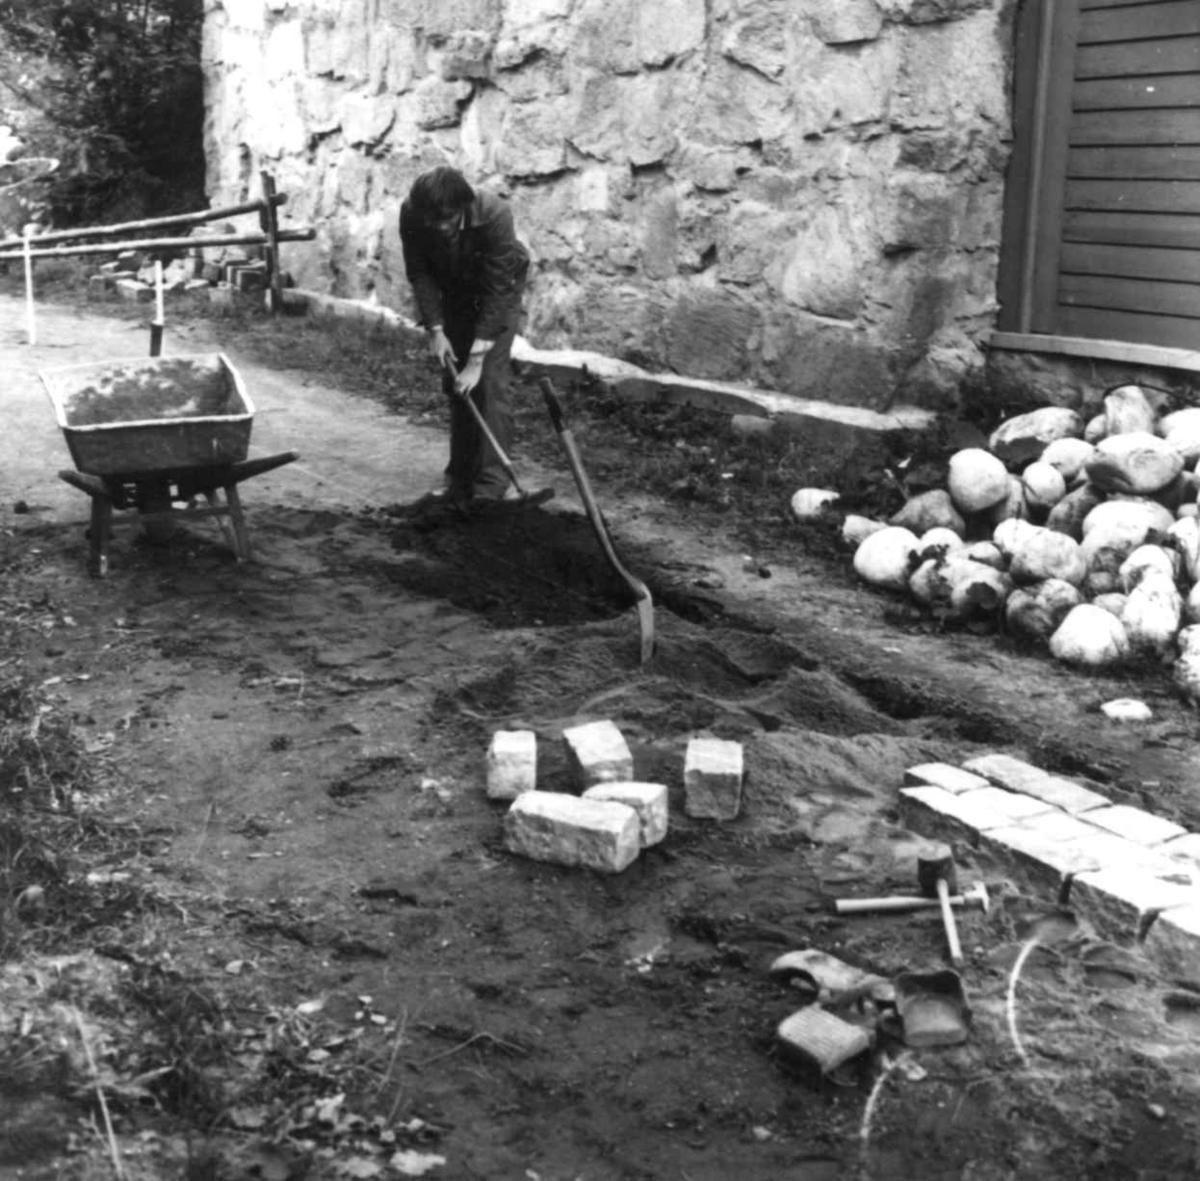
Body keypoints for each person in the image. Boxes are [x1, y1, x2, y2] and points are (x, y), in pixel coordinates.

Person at [399, 166, 531, 505]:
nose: (440, 229)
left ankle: (491, 486)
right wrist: (436, 330)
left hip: (498, 292)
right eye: (433, 222)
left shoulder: (495, 214)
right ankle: (460, 477)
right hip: (455, 291)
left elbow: (498, 290)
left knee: (488, 380)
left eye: (447, 220)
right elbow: (420, 272)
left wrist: (477, 358)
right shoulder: (412, 213)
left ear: (462, 207)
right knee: (457, 383)